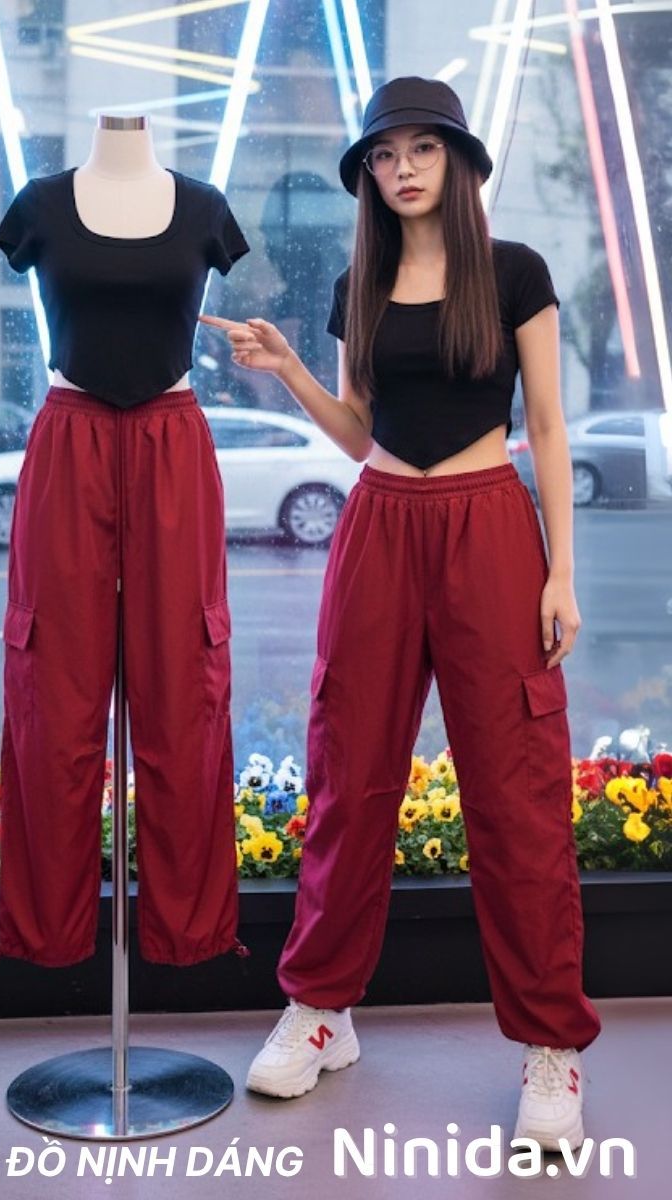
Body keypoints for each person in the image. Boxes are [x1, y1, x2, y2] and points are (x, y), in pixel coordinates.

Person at [199, 76, 601, 1150]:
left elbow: (547, 429)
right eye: (383, 155)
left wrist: (560, 572)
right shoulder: (357, 287)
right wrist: (289, 368)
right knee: (348, 775)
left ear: (458, 163)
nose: (402, 169)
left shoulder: (515, 273)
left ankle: (550, 1046)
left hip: (488, 529)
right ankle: (321, 1010)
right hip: (378, 526)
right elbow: (357, 432)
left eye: (422, 148)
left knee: (516, 793)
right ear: (368, 177)